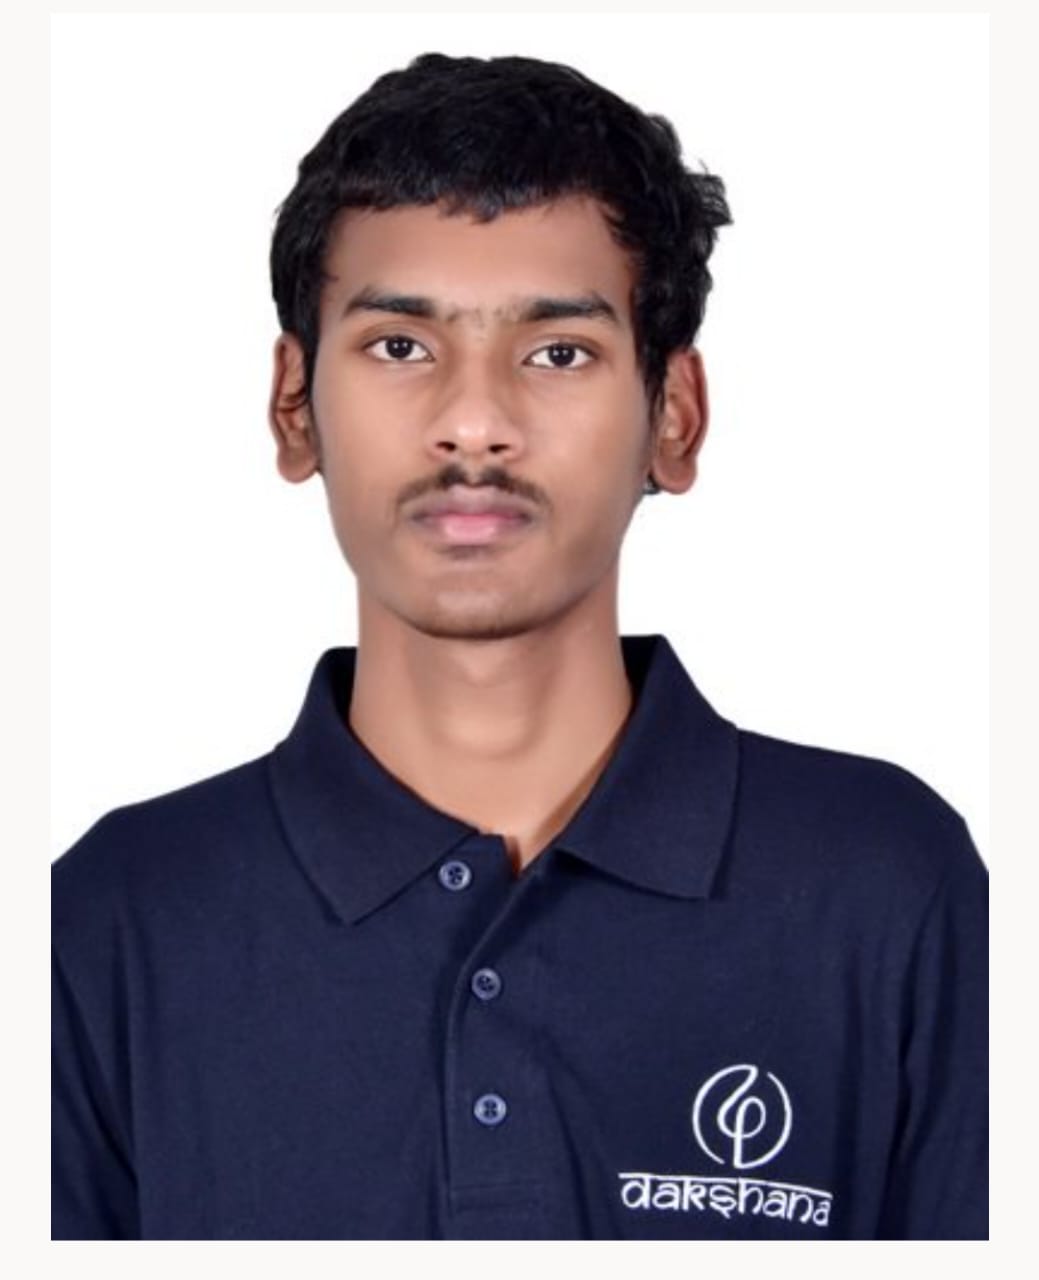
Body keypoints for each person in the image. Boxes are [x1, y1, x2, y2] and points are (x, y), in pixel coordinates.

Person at [51, 52, 987, 1241]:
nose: (473, 423)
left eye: (557, 352)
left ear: (674, 415)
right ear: (294, 407)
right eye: (400, 344)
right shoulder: (111, 919)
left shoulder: (889, 886)